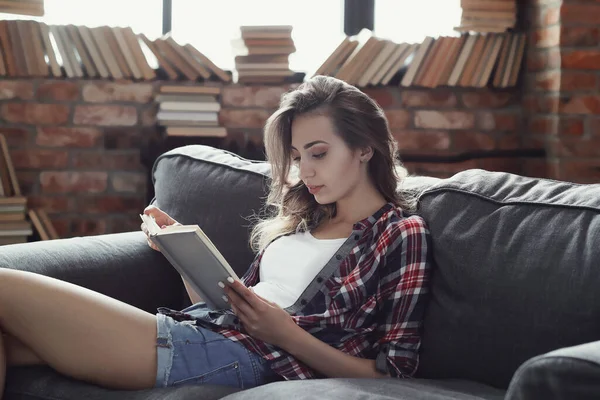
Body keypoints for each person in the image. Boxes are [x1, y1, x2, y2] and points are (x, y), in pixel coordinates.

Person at [0, 75, 433, 395]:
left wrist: (286, 334)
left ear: (364, 148)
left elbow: (394, 373)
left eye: (319, 153)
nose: (306, 171)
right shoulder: (305, 223)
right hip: (207, 332)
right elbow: (224, 309)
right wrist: (179, 252)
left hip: (239, 356)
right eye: (298, 157)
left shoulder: (399, 234)